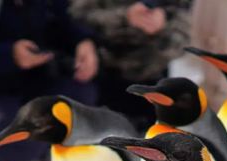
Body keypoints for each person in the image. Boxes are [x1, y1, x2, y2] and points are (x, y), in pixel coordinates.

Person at [0, 0, 98, 161]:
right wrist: (9, 55)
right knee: (18, 140)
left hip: (38, 84)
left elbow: (63, 26)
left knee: (80, 98)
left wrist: (83, 42)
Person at [71, 0, 191, 131]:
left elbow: (184, 31)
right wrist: (124, 17)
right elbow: (73, 17)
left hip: (152, 81)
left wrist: (161, 25)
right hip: (96, 78)